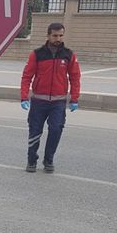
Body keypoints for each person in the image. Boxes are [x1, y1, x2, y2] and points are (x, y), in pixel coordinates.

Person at [20, 22, 81, 173]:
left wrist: (74, 99)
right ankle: (31, 160)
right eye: (55, 35)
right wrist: (24, 97)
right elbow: (27, 76)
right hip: (39, 101)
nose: (58, 38)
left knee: (56, 129)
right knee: (35, 131)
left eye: (61, 35)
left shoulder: (68, 55)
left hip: (58, 102)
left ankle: (49, 160)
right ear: (48, 36)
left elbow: (75, 77)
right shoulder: (37, 54)